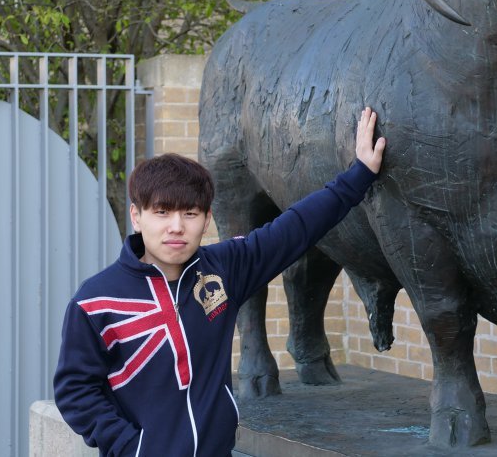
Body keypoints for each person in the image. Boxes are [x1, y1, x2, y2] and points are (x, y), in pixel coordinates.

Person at [53, 107, 386, 457]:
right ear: (137, 216)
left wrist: (360, 173)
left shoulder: (225, 269)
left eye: (190, 213)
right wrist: (129, 446)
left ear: (207, 217)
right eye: (162, 212)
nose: (176, 227)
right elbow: (75, 391)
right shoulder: (94, 302)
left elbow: (296, 228)